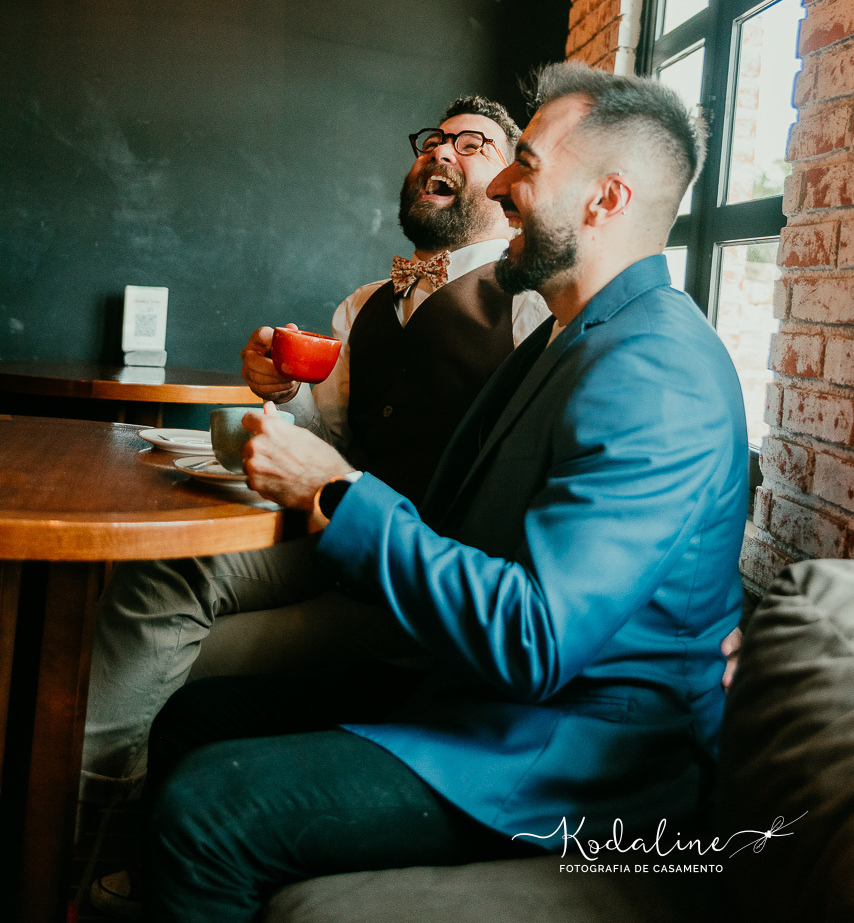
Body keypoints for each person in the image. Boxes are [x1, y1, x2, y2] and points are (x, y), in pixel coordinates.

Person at [140, 63, 748, 923]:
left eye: (525, 165)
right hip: (478, 692)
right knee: (196, 720)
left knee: (213, 807)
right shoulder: (575, 336)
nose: (497, 186)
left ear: (607, 200)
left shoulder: (656, 369)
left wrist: (342, 496)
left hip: (581, 759)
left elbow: (539, 637)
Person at [82, 95, 549, 803]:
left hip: (418, 581)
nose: (442, 150)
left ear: (511, 184)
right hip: (327, 537)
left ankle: (85, 818)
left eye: (473, 144)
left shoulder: (529, 302)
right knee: (158, 573)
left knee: (182, 659)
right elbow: (331, 442)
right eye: (434, 139)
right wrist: (279, 392)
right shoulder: (360, 306)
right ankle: (77, 807)